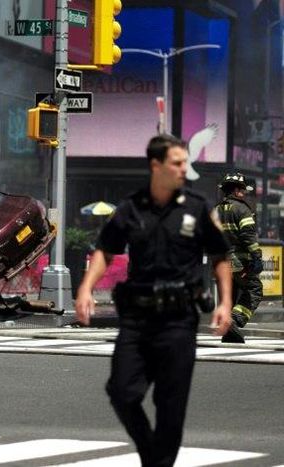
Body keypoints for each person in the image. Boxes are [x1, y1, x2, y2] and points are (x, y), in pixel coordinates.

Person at [75, 134, 232, 467]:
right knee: (121, 391)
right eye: (177, 163)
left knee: (170, 407)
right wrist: (86, 287)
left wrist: (225, 302)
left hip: (178, 321)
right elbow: (106, 248)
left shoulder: (197, 206)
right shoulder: (131, 208)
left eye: (185, 162)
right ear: (155, 165)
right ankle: (151, 456)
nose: (183, 169)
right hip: (137, 321)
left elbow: (220, 255)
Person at [215, 172, 263, 343]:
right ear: (236, 190)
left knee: (231, 294)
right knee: (254, 289)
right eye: (243, 190)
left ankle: (229, 333)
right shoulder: (242, 209)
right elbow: (249, 237)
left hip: (221, 262)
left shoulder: (216, 210)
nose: (245, 193)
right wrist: (257, 257)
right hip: (239, 261)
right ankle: (234, 321)